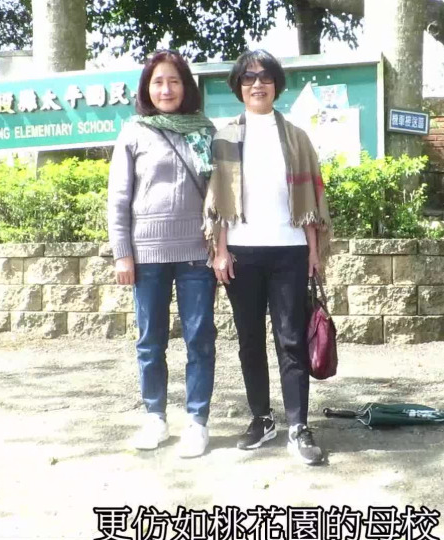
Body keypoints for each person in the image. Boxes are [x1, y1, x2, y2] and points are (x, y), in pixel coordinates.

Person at [204, 49, 333, 466]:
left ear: (277, 84)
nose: (257, 83)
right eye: (248, 77)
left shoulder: (297, 137)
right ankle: (262, 418)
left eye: (265, 76)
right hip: (242, 253)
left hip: (290, 251)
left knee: (291, 338)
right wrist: (220, 250)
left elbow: (310, 200)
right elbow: (217, 201)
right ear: (238, 86)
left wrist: (313, 251)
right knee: (249, 340)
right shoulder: (224, 138)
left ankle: (298, 425)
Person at [107, 50, 218, 459]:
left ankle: (197, 422)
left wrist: (220, 245)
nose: (166, 89)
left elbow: (220, 195)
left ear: (186, 86)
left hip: (196, 253)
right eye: (158, 82)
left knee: (199, 339)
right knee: (150, 341)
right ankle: (155, 417)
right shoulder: (133, 132)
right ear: (146, 89)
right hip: (147, 254)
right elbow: (118, 198)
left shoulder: (204, 131)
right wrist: (123, 253)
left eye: (173, 81)